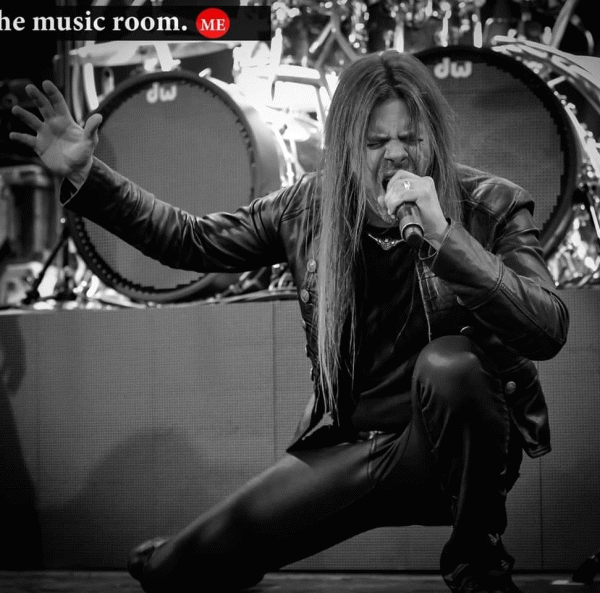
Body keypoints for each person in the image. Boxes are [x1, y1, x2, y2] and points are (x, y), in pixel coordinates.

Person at [11, 49, 569, 593]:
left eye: (411, 138)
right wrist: (88, 174)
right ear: (347, 146)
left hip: (451, 453)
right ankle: (194, 556)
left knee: (452, 363)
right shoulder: (308, 207)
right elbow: (190, 240)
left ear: (433, 138)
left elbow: (547, 327)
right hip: (352, 448)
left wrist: (447, 238)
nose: (396, 155)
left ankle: (478, 566)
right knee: (174, 573)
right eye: (376, 142)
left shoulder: (490, 205)